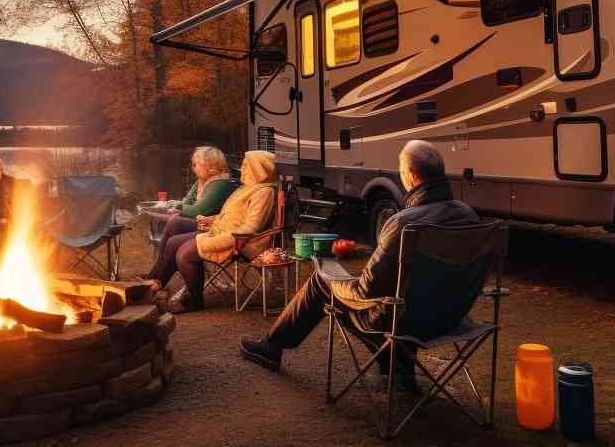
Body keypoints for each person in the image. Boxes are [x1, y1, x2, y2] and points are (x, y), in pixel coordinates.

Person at [239, 141, 480, 391]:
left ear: (410, 175)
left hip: (404, 322)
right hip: (452, 316)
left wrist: (328, 271)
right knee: (402, 297)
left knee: (325, 280)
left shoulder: (403, 223)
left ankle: (271, 347)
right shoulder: (468, 215)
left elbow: (366, 291)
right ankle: (398, 368)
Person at [151, 150, 278, 313]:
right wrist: (212, 220)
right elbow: (232, 216)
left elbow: (251, 227)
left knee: (183, 254)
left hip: (241, 242)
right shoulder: (247, 188)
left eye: (246, 166)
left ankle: (194, 301)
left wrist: (215, 239)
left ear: (258, 170)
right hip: (222, 231)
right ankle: (155, 283)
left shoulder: (263, 192)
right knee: (173, 242)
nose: (242, 169)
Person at [144, 146, 238, 281]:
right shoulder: (202, 181)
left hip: (211, 227)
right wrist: (182, 207)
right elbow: (187, 203)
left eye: (196, 165)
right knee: (174, 222)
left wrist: (179, 207)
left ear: (209, 165)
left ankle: (156, 277)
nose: (194, 168)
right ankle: (156, 277)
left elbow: (198, 211)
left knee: (175, 222)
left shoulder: (221, 183)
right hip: (199, 223)